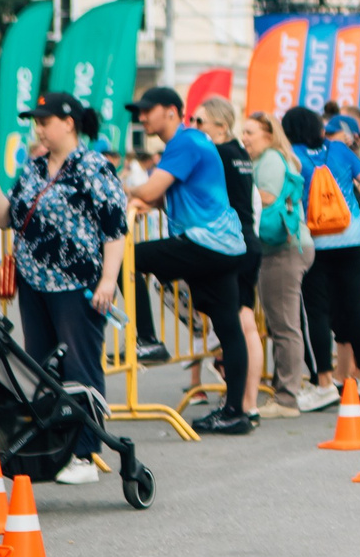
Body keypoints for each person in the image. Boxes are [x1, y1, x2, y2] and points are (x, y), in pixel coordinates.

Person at [0, 92, 126, 483]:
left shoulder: (94, 167)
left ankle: (85, 454)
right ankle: (53, 446)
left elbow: (115, 230)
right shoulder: (33, 167)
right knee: (41, 364)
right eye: (36, 121)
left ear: (69, 123)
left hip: (77, 283)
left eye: (45, 120)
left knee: (80, 365)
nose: (39, 127)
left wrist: (108, 281)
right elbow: (5, 217)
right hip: (33, 282)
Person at [124, 85, 253, 436]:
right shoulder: (188, 145)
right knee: (228, 327)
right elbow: (169, 199)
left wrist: (127, 191)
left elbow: (150, 192)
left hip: (205, 243)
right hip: (225, 245)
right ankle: (235, 413)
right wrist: (149, 199)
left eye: (146, 110)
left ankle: (147, 339)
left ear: (170, 111)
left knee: (127, 258)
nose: (141, 117)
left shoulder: (186, 141)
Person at [287, 106, 360, 405]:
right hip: (354, 238)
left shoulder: (291, 155)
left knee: (317, 312)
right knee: (357, 307)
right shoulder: (341, 151)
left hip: (314, 242)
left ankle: (324, 385)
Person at [194, 95, 266, 421]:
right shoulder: (239, 152)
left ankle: (242, 403)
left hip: (233, 243)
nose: (194, 127)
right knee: (247, 323)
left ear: (220, 126)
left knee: (240, 326)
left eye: (200, 122)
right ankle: (248, 401)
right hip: (249, 239)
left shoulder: (219, 154)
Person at [242, 111, 312, 415]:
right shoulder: (274, 157)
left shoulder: (270, 159)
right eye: (243, 133)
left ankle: (287, 398)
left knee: (284, 325)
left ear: (269, 136)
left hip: (283, 249)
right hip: (286, 247)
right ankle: (284, 388)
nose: (244, 139)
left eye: (250, 133)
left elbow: (266, 197)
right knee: (281, 322)